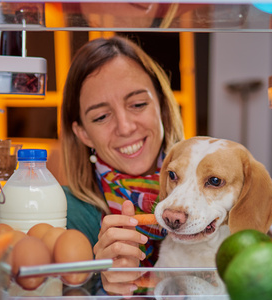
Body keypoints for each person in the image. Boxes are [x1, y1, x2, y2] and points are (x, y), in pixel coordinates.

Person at [60, 36, 184, 283]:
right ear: (84, 134)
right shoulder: (66, 213)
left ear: (161, 105)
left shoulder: (212, 187)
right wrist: (99, 281)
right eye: (101, 117)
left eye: (138, 104)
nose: (125, 128)